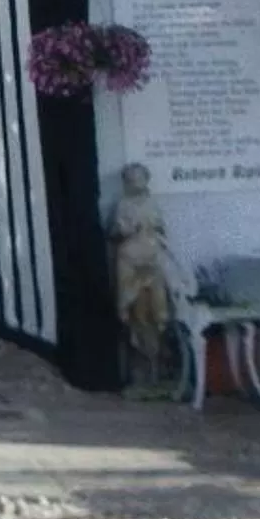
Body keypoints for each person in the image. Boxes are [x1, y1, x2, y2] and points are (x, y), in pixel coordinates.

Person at [109, 162, 176, 384]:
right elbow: (113, 233)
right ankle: (139, 366)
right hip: (129, 262)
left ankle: (158, 366)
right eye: (131, 178)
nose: (135, 182)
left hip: (152, 260)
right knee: (135, 310)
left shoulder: (153, 204)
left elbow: (162, 231)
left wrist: (154, 229)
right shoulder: (122, 205)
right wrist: (125, 230)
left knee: (157, 310)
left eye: (139, 177)